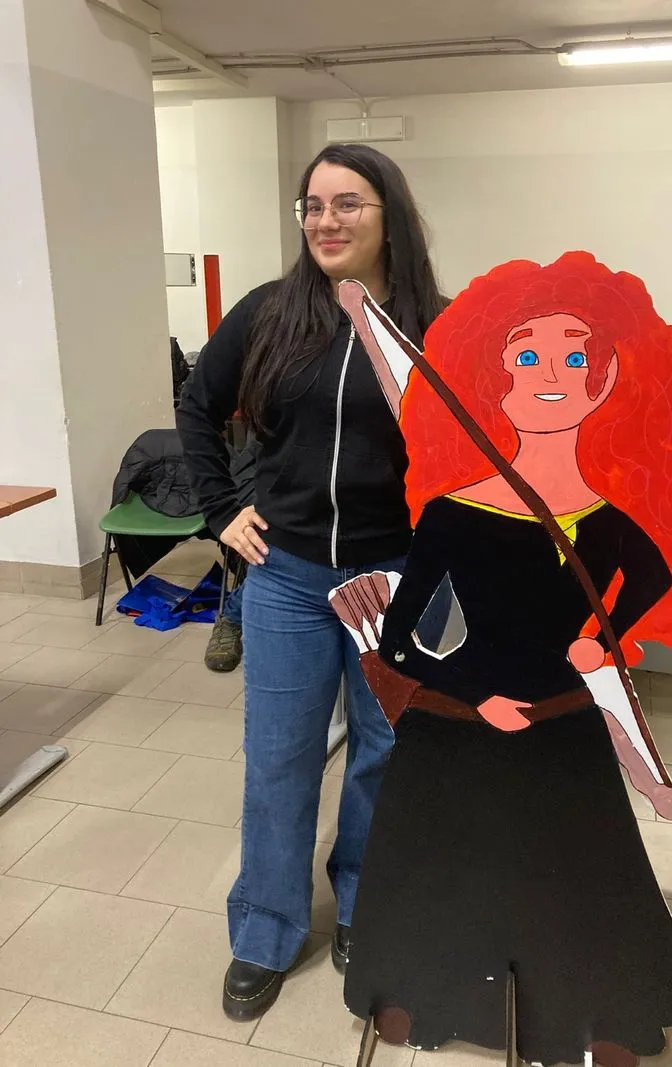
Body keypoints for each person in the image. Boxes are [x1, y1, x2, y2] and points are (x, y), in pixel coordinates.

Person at [332, 255, 672, 1066]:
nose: (551, 373)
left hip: (562, 722)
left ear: (601, 380)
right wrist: (477, 696)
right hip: (460, 724)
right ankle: (422, 995)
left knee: (578, 868)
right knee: (442, 865)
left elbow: (653, 576)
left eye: (573, 356)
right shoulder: (454, 512)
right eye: (527, 356)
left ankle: (592, 1015)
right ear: (499, 383)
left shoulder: (605, 518)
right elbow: (401, 641)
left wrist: (603, 636)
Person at [176, 143, 448, 1021]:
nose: (326, 221)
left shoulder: (437, 327)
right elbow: (197, 404)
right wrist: (221, 508)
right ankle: (265, 927)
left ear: (388, 216)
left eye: (347, 203)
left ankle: (367, 901)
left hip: (395, 576)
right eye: (313, 206)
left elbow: (475, 454)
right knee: (279, 757)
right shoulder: (270, 312)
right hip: (286, 577)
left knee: (385, 751)